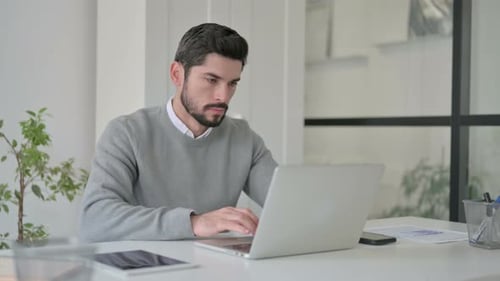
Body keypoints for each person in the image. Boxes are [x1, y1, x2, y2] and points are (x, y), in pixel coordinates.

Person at [79, 23, 278, 242]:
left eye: (232, 83)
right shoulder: (126, 133)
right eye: (211, 80)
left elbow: (288, 205)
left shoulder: (245, 139)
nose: (223, 95)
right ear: (177, 74)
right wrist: (195, 222)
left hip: (217, 270)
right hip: (148, 270)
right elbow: (94, 220)